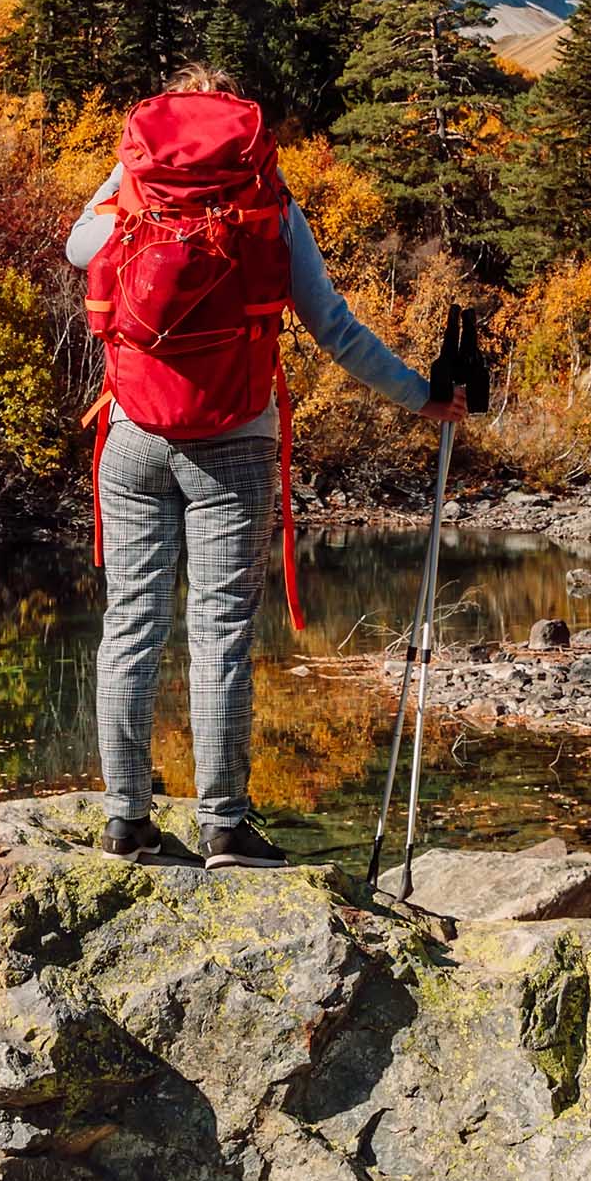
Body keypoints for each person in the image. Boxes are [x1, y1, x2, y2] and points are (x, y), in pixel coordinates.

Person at [68, 65, 463, 867]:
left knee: (130, 628)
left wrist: (128, 174)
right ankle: (223, 827)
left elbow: (81, 248)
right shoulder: (271, 210)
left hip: (133, 435)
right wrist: (421, 396)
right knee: (219, 635)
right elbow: (337, 331)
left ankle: (125, 823)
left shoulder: (131, 196)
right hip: (237, 444)